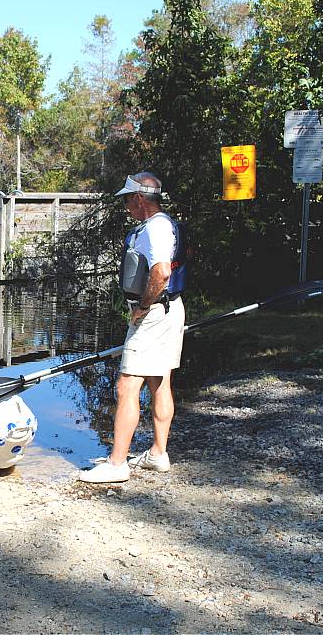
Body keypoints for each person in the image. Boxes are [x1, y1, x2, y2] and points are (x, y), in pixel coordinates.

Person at [78, 171, 186, 483]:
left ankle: (116, 464)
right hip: (167, 310)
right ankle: (157, 454)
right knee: (160, 380)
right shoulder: (161, 225)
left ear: (139, 198)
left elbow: (161, 273)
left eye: (127, 199)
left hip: (153, 314)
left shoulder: (155, 228)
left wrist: (142, 307)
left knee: (127, 386)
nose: (125, 205)